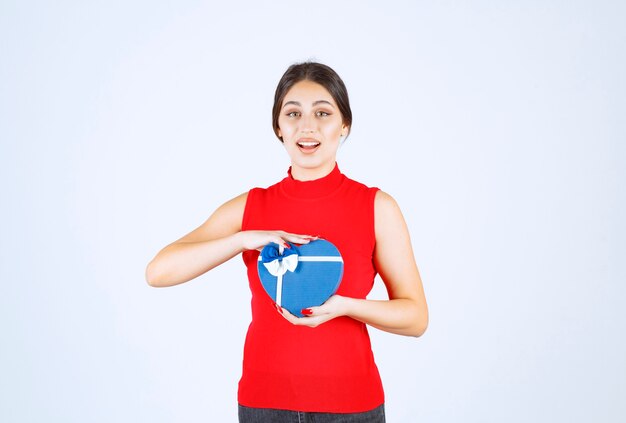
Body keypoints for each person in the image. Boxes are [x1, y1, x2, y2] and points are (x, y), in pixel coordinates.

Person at [145, 61, 428, 423]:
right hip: (263, 404)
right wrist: (243, 239)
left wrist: (346, 307)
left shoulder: (376, 207)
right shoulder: (251, 206)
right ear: (279, 128)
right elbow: (158, 272)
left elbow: (416, 317)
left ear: (345, 125)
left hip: (351, 405)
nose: (306, 126)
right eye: (292, 113)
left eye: (322, 113)